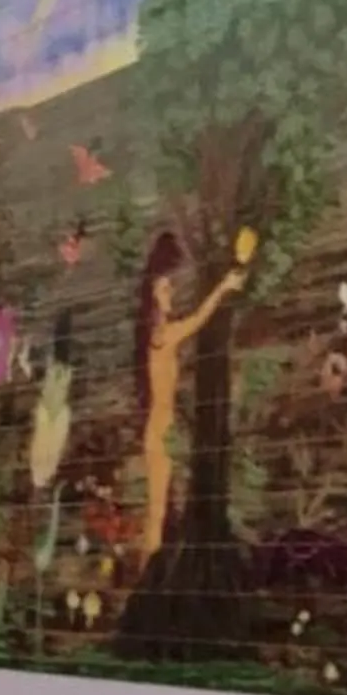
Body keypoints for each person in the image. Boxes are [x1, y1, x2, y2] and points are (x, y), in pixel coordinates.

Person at [133, 232, 247, 564]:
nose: (171, 293)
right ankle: (148, 576)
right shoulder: (162, 334)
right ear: (155, 296)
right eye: (166, 289)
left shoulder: (157, 333)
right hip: (160, 428)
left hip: (162, 426)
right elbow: (197, 320)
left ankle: (151, 570)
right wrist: (223, 287)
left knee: (161, 507)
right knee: (157, 509)